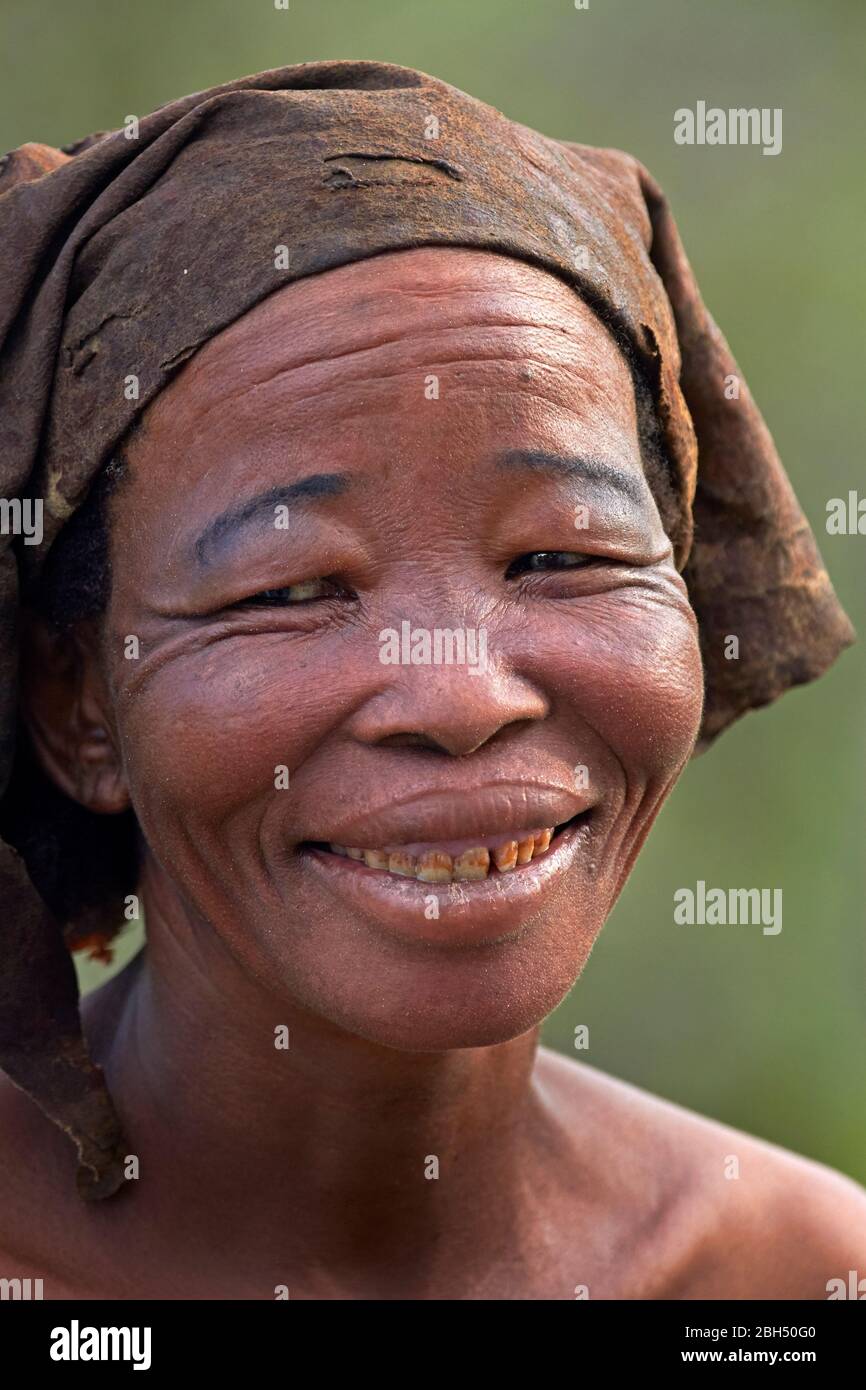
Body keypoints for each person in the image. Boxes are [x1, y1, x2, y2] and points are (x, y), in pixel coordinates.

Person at [0, 61, 862, 1300]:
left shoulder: (785, 1280)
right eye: (293, 588)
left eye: (562, 555)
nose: (460, 698)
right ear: (77, 700)